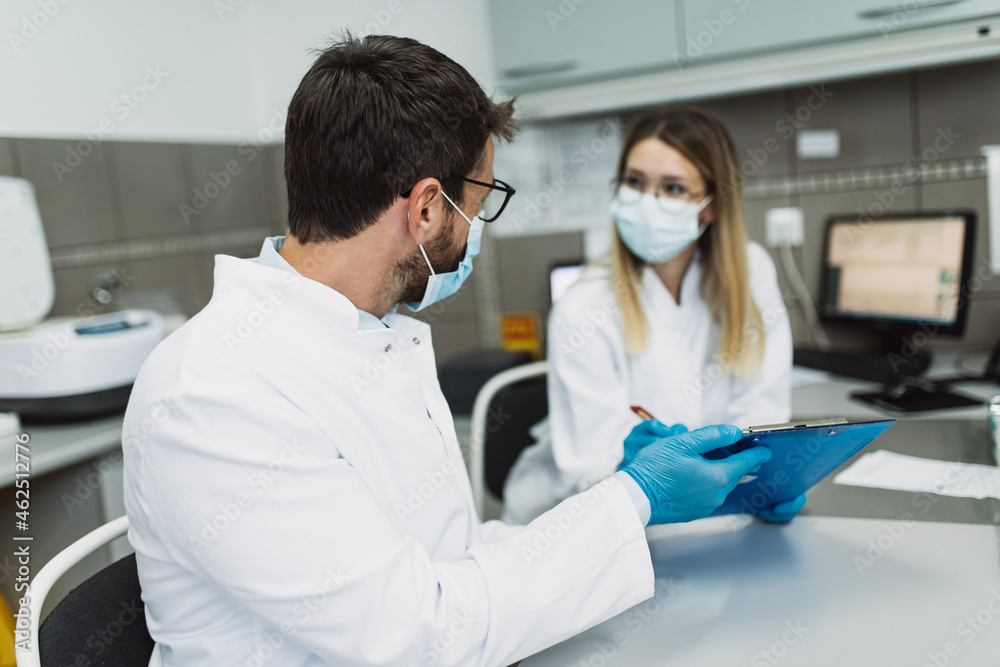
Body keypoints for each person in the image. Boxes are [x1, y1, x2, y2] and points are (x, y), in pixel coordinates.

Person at [121, 36, 772, 667]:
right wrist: (634, 499)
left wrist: (615, 501)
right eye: (481, 203)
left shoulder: (368, 334)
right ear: (428, 210)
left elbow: (453, 557)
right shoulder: (213, 390)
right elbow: (418, 635)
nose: (477, 230)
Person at [503, 107, 804, 525]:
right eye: (635, 182)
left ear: (711, 206)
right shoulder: (585, 307)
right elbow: (587, 471)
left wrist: (764, 479)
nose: (648, 202)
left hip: (714, 517)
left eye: (673, 188)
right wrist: (632, 470)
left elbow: (761, 413)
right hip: (579, 526)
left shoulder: (752, 274)